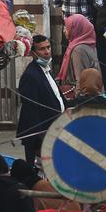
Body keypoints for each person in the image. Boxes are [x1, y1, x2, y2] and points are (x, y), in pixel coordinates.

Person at [16, 34, 64, 166]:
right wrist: (39, 141)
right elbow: (31, 112)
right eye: (42, 49)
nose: (47, 51)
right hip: (41, 138)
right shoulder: (31, 76)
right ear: (33, 52)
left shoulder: (46, 70)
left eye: (48, 47)